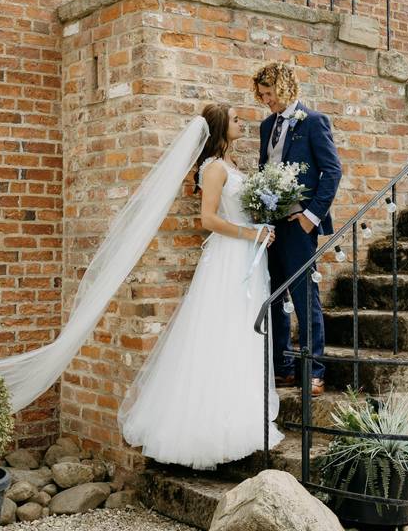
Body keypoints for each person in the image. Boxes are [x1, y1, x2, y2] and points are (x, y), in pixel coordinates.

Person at [117, 104, 284, 470]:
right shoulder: (213, 169)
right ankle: (212, 427)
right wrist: (251, 233)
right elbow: (208, 219)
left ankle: (241, 410)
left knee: (244, 331)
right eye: (236, 120)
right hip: (228, 258)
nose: (242, 123)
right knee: (223, 330)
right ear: (222, 128)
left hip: (245, 257)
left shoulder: (232, 166)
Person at [255, 62, 342, 397]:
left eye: (269, 94)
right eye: (262, 95)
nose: (266, 101)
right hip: (271, 225)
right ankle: (283, 367)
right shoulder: (266, 126)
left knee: (305, 297)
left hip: (298, 225)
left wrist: (310, 216)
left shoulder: (314, 122)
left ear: (285, 88)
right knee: (274, 294)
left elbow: (332, 172)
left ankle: (314, 371)